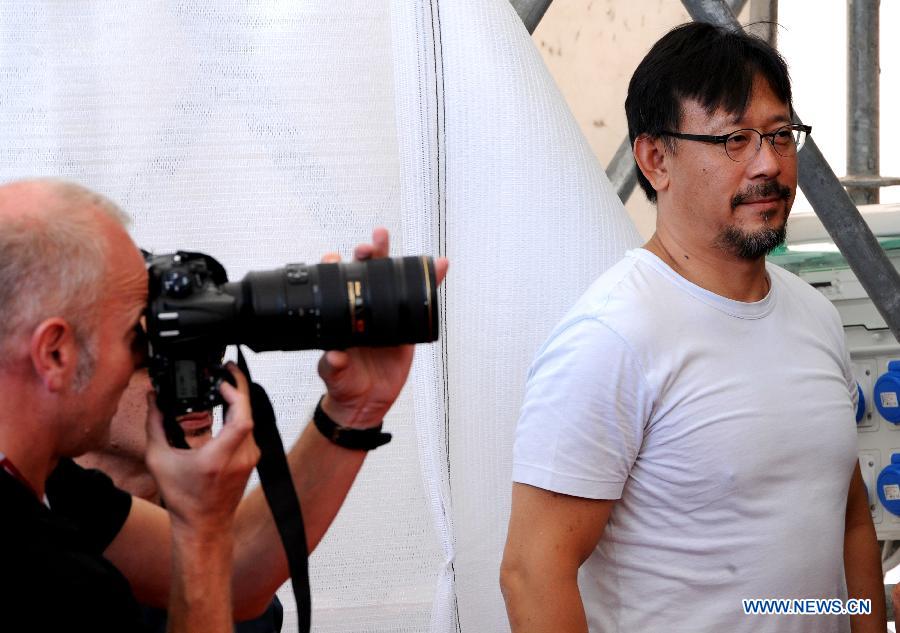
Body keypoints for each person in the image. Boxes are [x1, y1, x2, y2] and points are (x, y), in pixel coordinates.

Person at [500, 22, 885, 633]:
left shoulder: (814, 315)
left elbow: (850, 520)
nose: (769, 163)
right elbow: (533, 571)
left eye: (780, 135)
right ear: (656, 159)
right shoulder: (612, 337)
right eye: (735, 139)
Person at [0, 178, 448, 631]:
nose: (151, 357)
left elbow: (237, 577)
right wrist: (200, 531)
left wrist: (354, 410)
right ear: (54, 354)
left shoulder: (56, 487)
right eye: (138, 338)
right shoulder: (46, 574)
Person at [77, 370, 285, 633]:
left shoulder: (239, 593)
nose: (194, 381)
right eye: (157, 361)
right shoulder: (39, 540)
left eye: (209, 358)